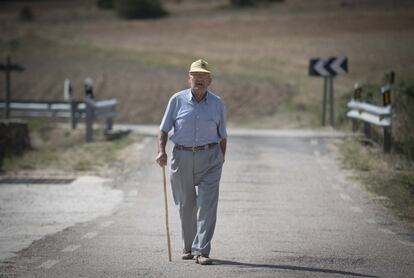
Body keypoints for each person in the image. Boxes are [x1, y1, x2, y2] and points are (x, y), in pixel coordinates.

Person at [155, 59, 227, 265]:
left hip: (210, 157)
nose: (199, 79)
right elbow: (163, 130)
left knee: (207, 206)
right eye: (195, 76)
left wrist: (221, 159)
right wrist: (161, 151)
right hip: (182, 157)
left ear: (210, 80)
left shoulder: (217, 103)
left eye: (203, 76)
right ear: (189, 79)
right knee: (186, 206)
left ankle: (202, 250)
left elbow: (223, 135)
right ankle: (188, 246)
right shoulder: (176, 100)